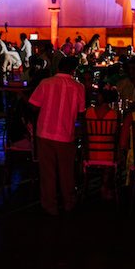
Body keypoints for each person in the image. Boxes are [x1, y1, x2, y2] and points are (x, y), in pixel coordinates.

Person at [28, 56, 84, 216]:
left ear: (58, 67)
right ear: (74, 70)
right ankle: (68, 202)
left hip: (44, 133)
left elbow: (33, 106)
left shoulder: (46, 83)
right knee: (67, 172)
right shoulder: (78, 87)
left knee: (47, 173)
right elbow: (81, 113)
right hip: (66, 135)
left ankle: (50, 206)